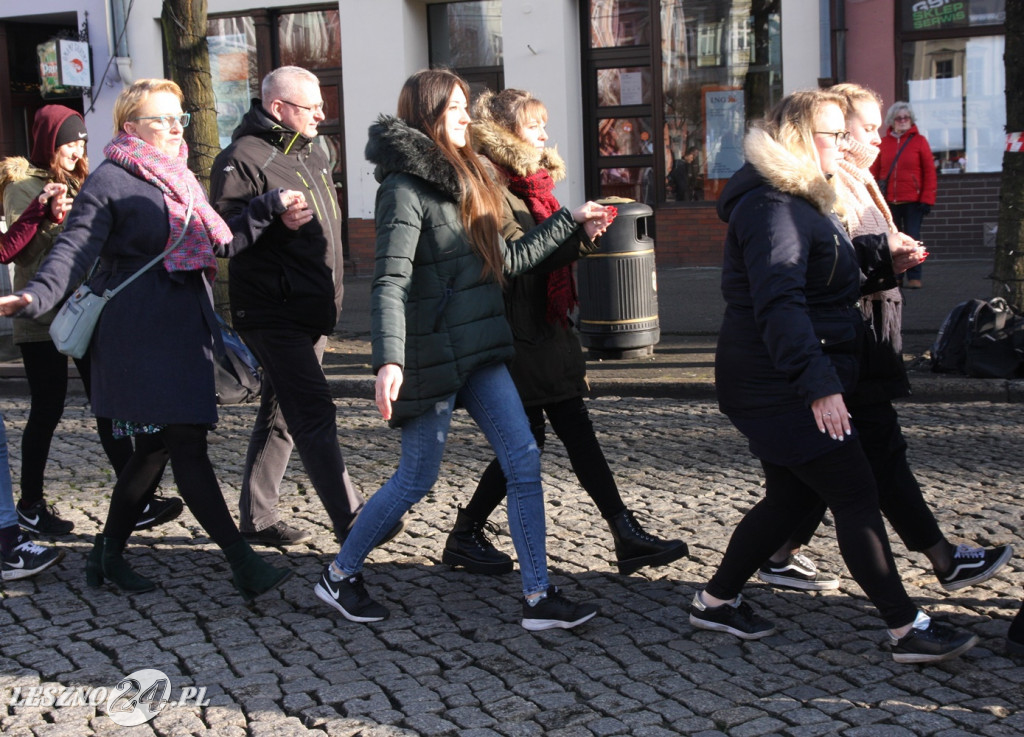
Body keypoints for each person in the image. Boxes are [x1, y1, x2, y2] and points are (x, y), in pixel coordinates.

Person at [313, 69, 613, 630]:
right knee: (416, 478)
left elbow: (512, 260)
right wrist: (389, 360)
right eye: (455, 108)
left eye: (466, 107)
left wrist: (571, 225)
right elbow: (389, 282)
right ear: (428, 114)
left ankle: (538, 597)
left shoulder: (472, 175)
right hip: (430, 353)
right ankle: (339, 574)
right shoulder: (403, 189)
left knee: (523, 458)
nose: (467, 117)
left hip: (480, 348)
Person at [691, 89, 978, 664]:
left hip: (782, 375)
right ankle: (906, 628)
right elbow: (780, 304)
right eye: (835, 134)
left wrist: (877, 259)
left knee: (788, 500)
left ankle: (715, 601)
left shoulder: (800, 197)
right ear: (800, 139)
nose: (847, 145)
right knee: (855, 493)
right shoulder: (773, 206)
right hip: (779, 383)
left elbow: (820, 274)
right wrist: (819, 385)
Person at [0, 79, 297, 601]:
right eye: (160, 118)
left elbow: (218, 244)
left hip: (185, 331)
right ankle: (241, 561)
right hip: (138, 336)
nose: (174, 126)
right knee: (185, 443)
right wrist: (34, 299)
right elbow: (71, 251)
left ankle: (107, 555)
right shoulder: (110, 180)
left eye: (178, 116)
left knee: (152, 449)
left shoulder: (179, 177)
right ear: (129, 127)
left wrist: (267, 207)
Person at [757, 83, 1011, 594]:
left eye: (878, 127)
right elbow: (811, 276)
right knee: (868, 462)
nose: (874, 139)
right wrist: (878, 256)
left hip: (855, 339)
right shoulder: (813, 188)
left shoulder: (854, 179)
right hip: (841, 345)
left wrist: (887, 257)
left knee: (812, 477)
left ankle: (757, 567)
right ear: (830, 130)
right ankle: (932, 572)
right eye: (865, 128)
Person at [442, 88, 687, 577]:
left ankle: (620, 533)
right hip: (516, 330)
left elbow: (543, 248)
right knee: (538, 436)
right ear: (509, 132)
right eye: (535, 125)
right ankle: (471, 533)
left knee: (554, 433)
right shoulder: (491, 182)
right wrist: (570, 231)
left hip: (544, 327)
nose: (544, 134)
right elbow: (515, 257)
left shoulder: (530, 181)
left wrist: (581, 235)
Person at [210, 66, 381, 548]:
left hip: (312, 307)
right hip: (271, 310)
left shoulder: (313, 153)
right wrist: (270, 213)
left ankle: (257, 517)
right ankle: (354, 521)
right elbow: (222, 237)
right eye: (313, 107)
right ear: (279, 108)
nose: (323, 115)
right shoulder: (239, 157)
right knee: (313, 411)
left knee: (283, 413)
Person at [0, 105, 180, 537]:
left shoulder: (84, 181)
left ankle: (134, 500)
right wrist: (47, 216)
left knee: (106, 403)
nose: (75, 149)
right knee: (48, 409)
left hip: (86, 307)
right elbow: (18, 252)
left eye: (80, 141)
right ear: (48, 143)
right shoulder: (23, 186)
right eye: (67, 141)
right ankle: (30, 504)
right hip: (42, 315)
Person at [869, 101, 935, 289]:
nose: (903, 121)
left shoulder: (919, 141)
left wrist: (927, 198)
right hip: (889, 199)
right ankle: (895, 276)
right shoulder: (884, 143)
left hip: (913, 200)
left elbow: (929, 172)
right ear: (892, 121)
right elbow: (874, 171)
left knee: (912, 236)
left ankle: (915, 276)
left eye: (906, 117)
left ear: (911, 119)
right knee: (892, 238)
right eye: (899, 118)